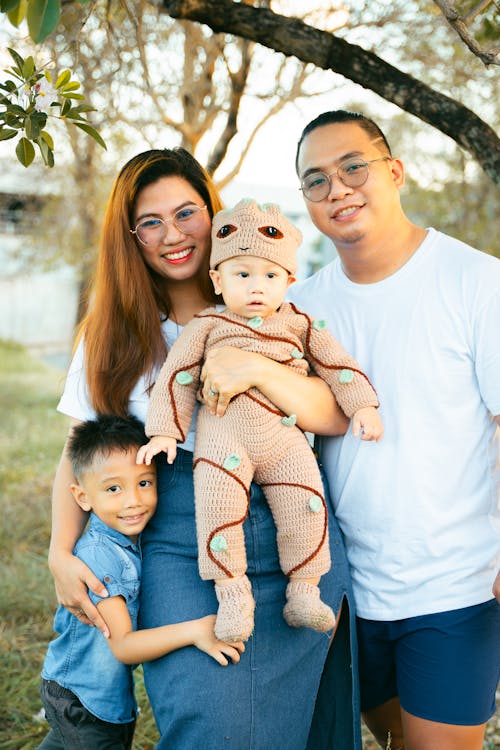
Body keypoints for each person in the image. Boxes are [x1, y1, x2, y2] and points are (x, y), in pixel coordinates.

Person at [48, 147, 363, 748]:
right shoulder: (114, 333)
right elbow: (77, 448)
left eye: (187, 213)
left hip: (293, 522)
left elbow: (333, 415)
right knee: (211, 728)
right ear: (131, 236)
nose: (173, 235)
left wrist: (254, 367)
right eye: (151, 222)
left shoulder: (277, 303)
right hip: (182, 538)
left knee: (309, 729)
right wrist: (62, 553)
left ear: (213, 215)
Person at [289, 109, 500, 750]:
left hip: (453, 584)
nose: (338, 189)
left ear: (395, 171)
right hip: (346, 589)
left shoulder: (475, 281)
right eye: (316, 180)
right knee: (393, 740)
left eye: (354, 166)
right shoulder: (302, 306)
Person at [138, 198, 382, 644]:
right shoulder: (207, 325)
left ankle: (304, 592)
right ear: (217, 278)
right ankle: (233, 594)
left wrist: (363, 405)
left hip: (284, 437)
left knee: (306, 503)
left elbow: (337, 366)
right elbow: (178, 376)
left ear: (289, 279)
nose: (257, 287)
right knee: (216, 511)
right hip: (223, 439)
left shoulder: (301, 323)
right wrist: (164, 432)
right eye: (242, 274)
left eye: (270, 276)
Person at [39, 415, 243, 750]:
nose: (133, 500)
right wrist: (194, 630)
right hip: (83, 699)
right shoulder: (99, 556)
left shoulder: (130, 540)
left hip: (103, 697)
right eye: (114, 489)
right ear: (82, 496)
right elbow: (123, 645)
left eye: (144, 483)